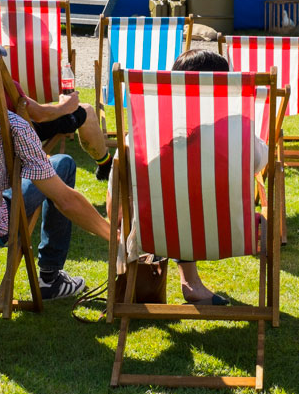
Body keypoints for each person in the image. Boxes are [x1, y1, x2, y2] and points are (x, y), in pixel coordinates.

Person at [0, 29, 111, 300]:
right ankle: (50, 278)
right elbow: (65, 200)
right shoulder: (7, 125)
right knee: (62, 164)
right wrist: (114, 236)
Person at [107, 49, 269, 305]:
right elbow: (261, 160)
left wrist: (118, 223)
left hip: (155, 234)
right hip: (227, 232)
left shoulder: (145, 138)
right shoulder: (238, 135)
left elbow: (119, 181)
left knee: (176, 199)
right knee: (195, 200)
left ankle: (191, 284)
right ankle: (192, 285)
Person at [0, 11, 114, 181]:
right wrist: (66, 106)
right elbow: (39, 114)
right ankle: (105, 164)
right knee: (86, 110)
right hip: (10, 139)